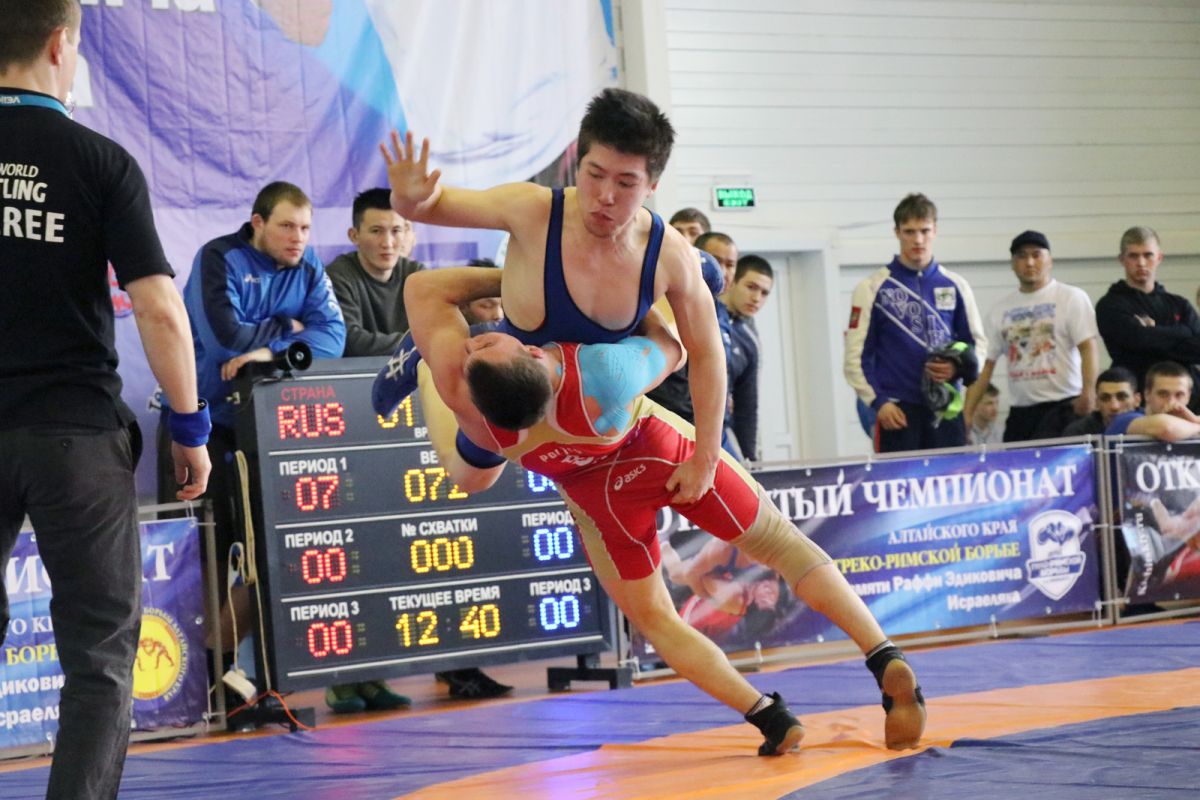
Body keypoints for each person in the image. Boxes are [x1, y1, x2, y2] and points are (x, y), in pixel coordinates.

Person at [403, 265, 927, 756]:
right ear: (537, 354)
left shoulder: (466, 401)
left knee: (655, 617)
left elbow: (423, 288)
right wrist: (534, 278)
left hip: (600, 499)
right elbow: (674, 350)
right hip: (660, 453)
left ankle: (768, 717)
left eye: (482, 340)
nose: (476, 339)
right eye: (484, 339)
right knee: (781, 544)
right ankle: (883, 655)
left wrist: (495, 304)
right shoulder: (602, 374)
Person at [0, 2, 211, 796]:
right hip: (75, 434)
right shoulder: (99, 161)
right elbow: (158, 308)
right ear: (61, 44)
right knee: (99, 656)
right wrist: (190, 424)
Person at [381, 87, 727, 505]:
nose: (605, 196)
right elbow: (431, 205)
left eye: (626, 183)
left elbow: (707, 352)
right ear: (576, 165)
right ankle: (430, 360)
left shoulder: (669, 253)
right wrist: (409, 199)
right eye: (594, 174)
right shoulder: (532, 209)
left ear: (652, 185)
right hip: (515, 381)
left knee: (678, 340)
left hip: (592, 391)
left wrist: (707, 457)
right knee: (471, 480)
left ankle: (518, 280)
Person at [169, 181, 345, 666]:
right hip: (205, 427)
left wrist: (271, 351)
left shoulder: (307, 265)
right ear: (258, 223)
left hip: (270, 427)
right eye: (287, 226)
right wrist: (289, 328)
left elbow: (333, 338)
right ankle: (201, 680)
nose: (298, 238)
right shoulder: (219, 258)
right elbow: (226, 341)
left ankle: (235, 670)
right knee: (209, 556)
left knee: (266, 555)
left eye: (305, 228)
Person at [844, 193, 986, 453]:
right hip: (897, 412)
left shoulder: (956, 285)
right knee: (899, 481)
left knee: (950, 479)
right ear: (897, 232)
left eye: (924, 231)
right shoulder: (871, 287)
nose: (918, 240)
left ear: (935, 231)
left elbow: (977, 344)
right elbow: (855, 358)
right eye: (909, 231)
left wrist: (957, 367)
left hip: (946, 409)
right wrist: (879, 403)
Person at [964, 231, 1099, 442]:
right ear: (1012, 264)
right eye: (1022, 256)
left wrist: (1089, 393)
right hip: (1022, 411)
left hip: (1065, 405)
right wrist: (968, 413)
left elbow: (1088, 347)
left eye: (1036, 255)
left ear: (1049, 260)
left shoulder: (1071, 297)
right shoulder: (1000, 311)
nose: (1029, 262)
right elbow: (985, 366)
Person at [1096, 226, 1200, 412]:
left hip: (1190, 401)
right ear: (1122, 259)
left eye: (1148, 255)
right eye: (1133, 256)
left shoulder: (1179, 304)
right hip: (1139, 403)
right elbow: (1137, 340)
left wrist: (1153, 333)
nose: (1141, 263)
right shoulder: (1110, 305)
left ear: (1159, 258)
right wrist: (1184, 332)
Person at [326, 188, 422, 357]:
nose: (387, 243)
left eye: (396, 231)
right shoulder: (338, 276)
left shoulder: (416, 274)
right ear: (354, 235)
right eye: (376, 231)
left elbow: (435, 333)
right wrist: (416, 343)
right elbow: (350, 341)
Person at [723, 255, 775, 461]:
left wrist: (750, 457)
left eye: (764, 293)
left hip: (720, 429)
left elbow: (747, 405)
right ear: (733, 281)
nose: (756, 298)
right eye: (751, 287)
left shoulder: (749, 340)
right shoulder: (700, 316)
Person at [1106, 361, 1200, 440]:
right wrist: (1196, 424)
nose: (1171, 402)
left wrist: (1194, 420)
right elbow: (1167, 429)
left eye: (1179, 395)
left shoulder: (1190, 425)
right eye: (1163, 394)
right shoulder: (1125, 419)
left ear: (1188, 397)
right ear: (1147, 395)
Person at [1062, 367, 1140, 437]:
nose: (1114, 406)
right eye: (1105, 398)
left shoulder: (1146, 426)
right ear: (1096, 403)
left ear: (1137, 400)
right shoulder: (1077, 433)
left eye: (1122, 397)